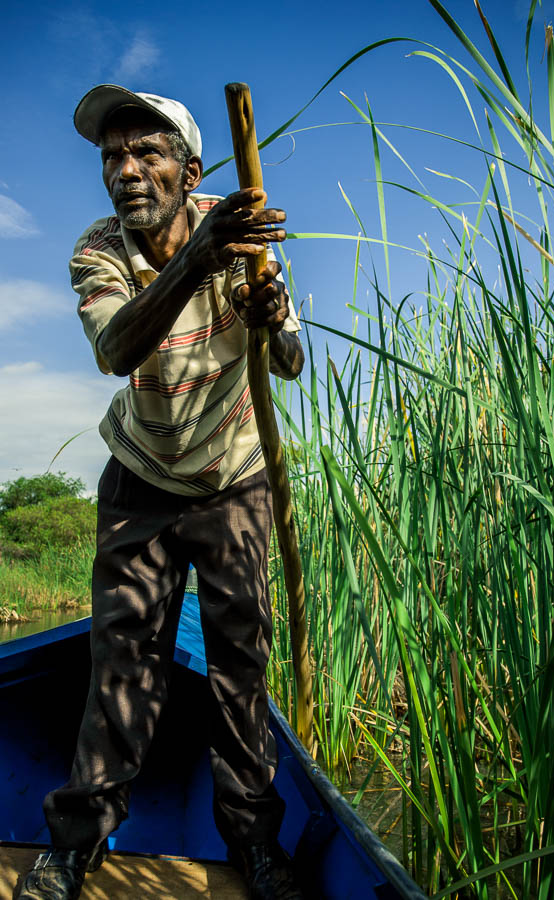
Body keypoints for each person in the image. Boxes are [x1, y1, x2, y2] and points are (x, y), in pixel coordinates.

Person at [17, 84, 305, 900]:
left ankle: (255, 845)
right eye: (113, 156)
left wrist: (270, 309)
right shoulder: (98, 250)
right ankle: (76, 846)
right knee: (124, 663)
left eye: (147, 153)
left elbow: (289, 361)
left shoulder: (244, 227)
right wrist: (194, 259)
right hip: (142, 474)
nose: (127, 170)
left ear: (189, 168)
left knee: (239, 669)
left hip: (233, 478)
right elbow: (116, 349)